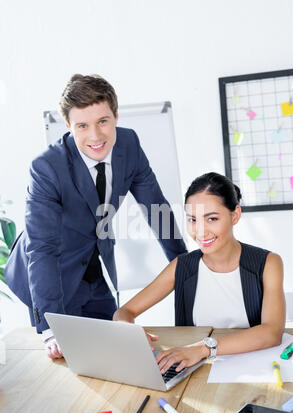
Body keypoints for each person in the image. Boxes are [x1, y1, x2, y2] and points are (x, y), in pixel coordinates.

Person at [4, 74, 187, 359]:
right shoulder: (47, 168)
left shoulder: (128, 144)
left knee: (115, 349)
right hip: (51, 273)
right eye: (82, 126)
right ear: (68, 126)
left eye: (103, 121)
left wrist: (184, 265)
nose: (95, 136)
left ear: (115, 115)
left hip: (92, 264)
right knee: (72, 361)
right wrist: (53, 327)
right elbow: (42, 249)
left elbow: (155, 208)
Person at [113, 172, 286, 374]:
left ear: (235, 215)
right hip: (194, 371)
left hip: (253, 370)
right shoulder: (182, 266)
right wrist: (131, 332)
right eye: (192, 220)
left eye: (211, 218)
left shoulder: (267, 263)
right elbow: (124, 312)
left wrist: (203, 349)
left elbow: (272, 332)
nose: (200, 232)